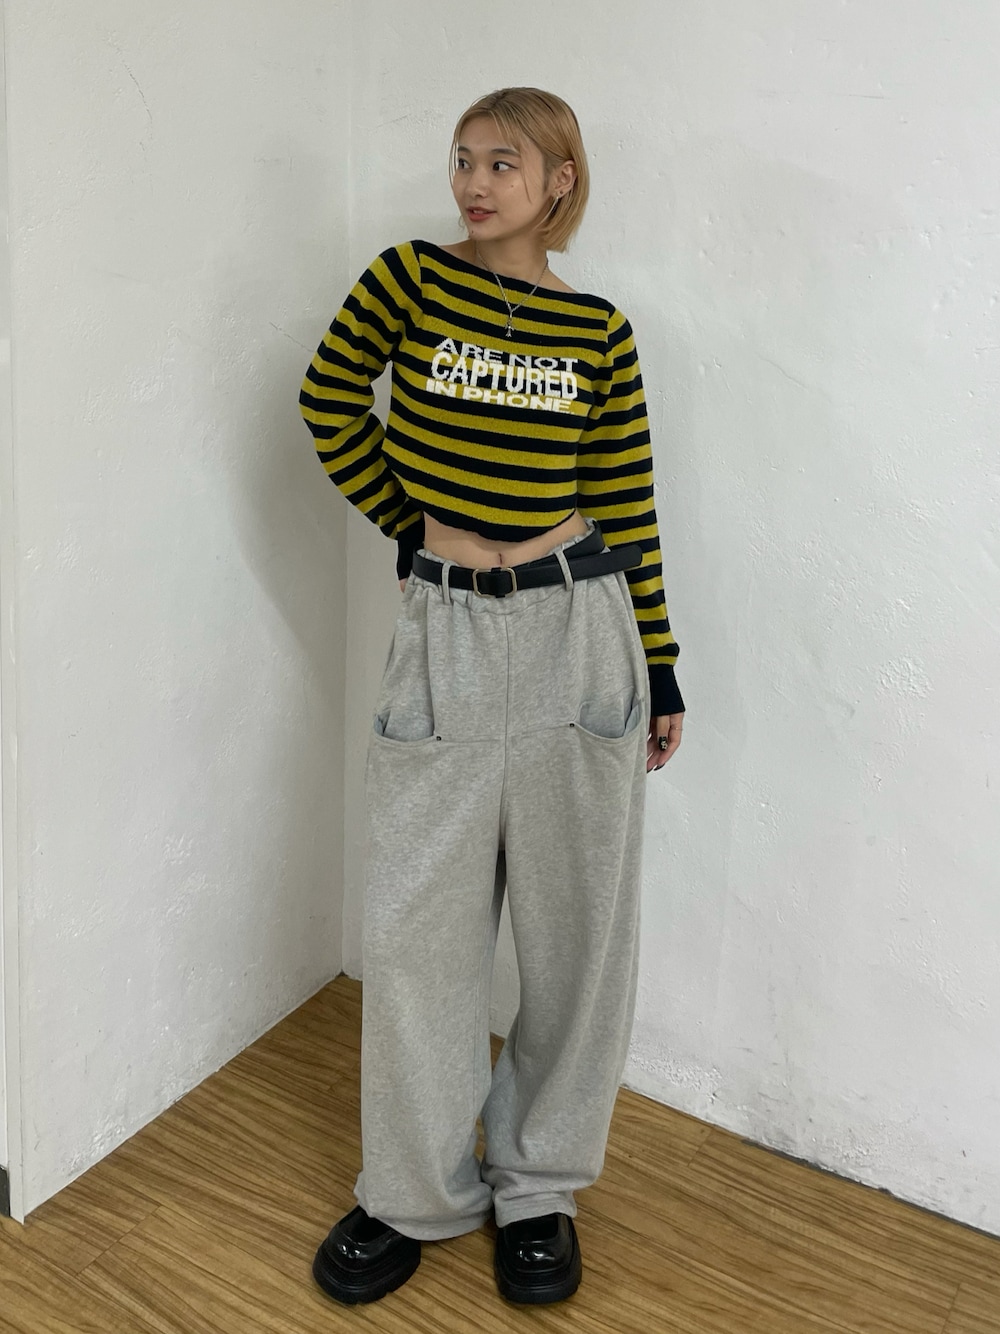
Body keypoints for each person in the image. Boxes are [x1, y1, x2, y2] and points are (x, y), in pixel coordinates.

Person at [298, 86, 685, 1308]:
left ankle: (538, 1184)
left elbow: (625, 501)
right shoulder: (409, 280)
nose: (473, 181)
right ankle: (411, 1191)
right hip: (449, 627)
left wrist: (661, 661)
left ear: (559, 178)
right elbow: (326, 401)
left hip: (582, 626)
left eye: (503, 161)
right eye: (463, 158)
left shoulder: (598, 330)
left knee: (578, 934)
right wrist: (410, 524)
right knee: (419, 929)